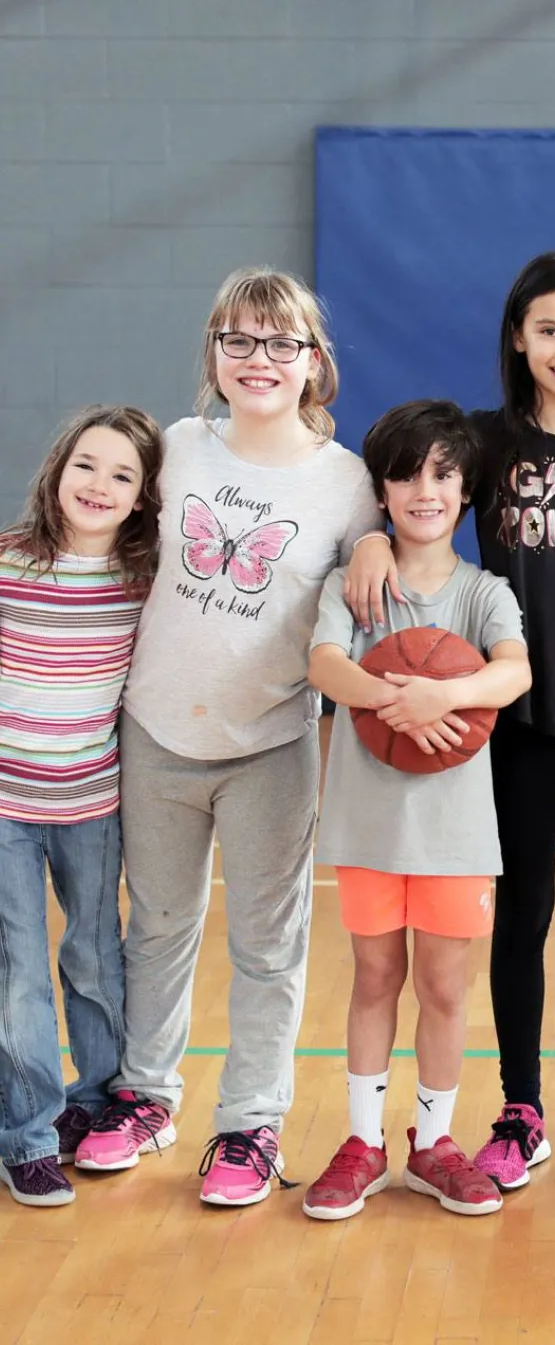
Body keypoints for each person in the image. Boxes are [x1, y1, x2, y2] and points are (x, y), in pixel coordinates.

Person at [346, 251, 555, 1213]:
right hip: (518, 724)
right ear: (517, 336)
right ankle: (521, 1112)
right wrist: (367, 538)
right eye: (549, 329)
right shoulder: (486, 445)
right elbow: (395, 491)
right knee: (524, 920)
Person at [74, 268, 389, 1207]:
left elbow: (381, 573)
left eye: (280, 343)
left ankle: (250, 1125)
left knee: (268, 947)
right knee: (157, 931)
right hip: (157, 730)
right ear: (214, 354)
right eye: (239, 341)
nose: (259, 360)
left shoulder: (346, 486)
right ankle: (149, 1097)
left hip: (269, 748)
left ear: (312, 362)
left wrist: (372, 543)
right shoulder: (175, 450)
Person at [303, 399, 531, 1221]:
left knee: (442, 985)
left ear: (465, 488)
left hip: (458, 835)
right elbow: (325, 662)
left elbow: (513, 674)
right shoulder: (353, 582)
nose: (423, 490)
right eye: (404, 475)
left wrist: (444, 694)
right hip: (367, 824)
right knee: (373, 978)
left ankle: (433, 1144)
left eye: (441, 473)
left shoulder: (485, 592)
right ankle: (363, 1142)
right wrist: (391, 700)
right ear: (382, 492)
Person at [0, 406, 163, 1207]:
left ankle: (94, 1104)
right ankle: (26, 1134)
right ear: (57, 471)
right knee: (18, 974)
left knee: (95, 961)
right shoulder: (6, 564)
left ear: (143, 498)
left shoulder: (147, 582)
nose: (100, 485)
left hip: (93, 807)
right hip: (5, 808)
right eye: (87, 466)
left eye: (123, 475)